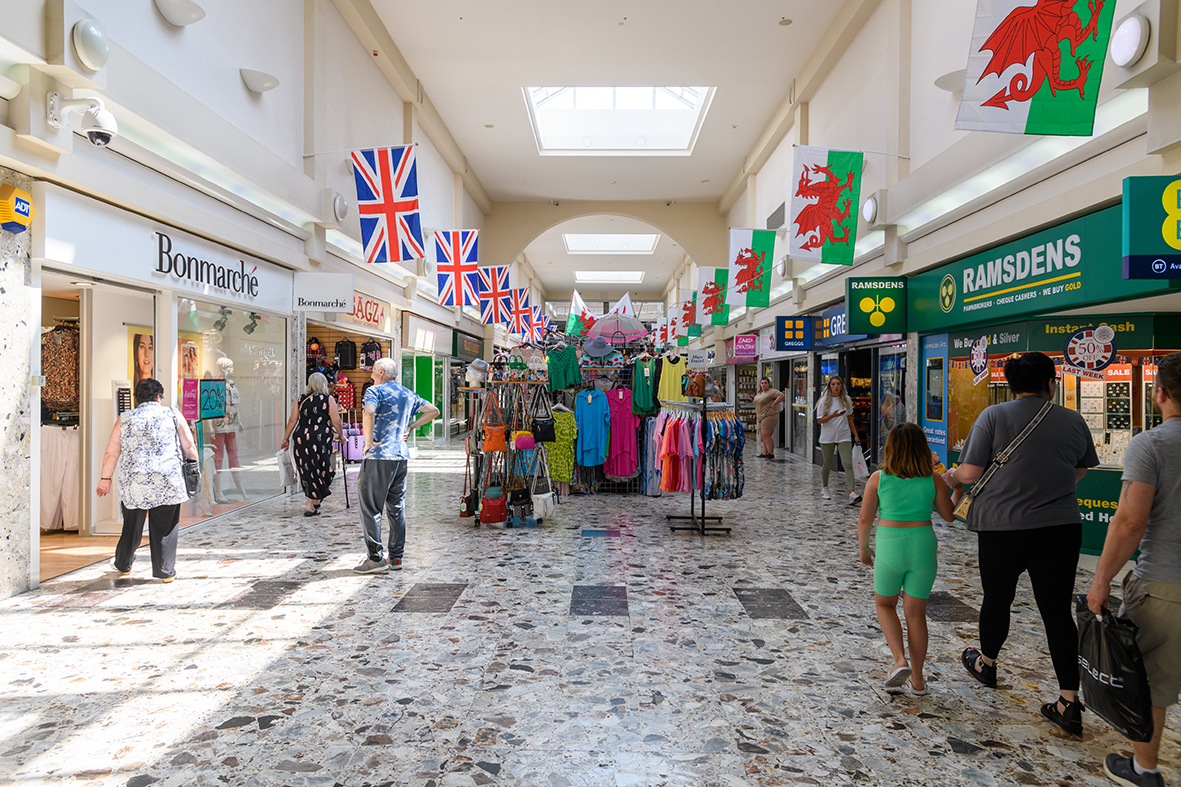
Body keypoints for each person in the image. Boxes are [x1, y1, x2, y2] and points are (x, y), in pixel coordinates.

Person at [942, 352, 1099, 735]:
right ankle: (1068, 700)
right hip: (1060, 527)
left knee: (998, 599)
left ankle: (987, 664)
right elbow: (1079, 468)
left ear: (1010, 384)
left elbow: (971, 471)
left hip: (1001, 528)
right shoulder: (1073, 419)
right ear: (1051, 382)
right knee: (1057, 612)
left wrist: (950, 477)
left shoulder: (993, 417)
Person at [1086, 352, 1181, 787]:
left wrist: (1101, 579)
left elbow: (1130, 520)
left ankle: (1145, 770)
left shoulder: (1153, 443)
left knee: (1153, 681)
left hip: (1166, 582)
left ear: (1159, 393)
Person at [858, 423, 955, 696]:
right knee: (916, 614)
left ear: (890, 448)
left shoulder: (878, 478)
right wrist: (957, 489)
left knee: (885, 604)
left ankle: (899, 660)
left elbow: (865, 518)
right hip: (922, 545)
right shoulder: (933, 480)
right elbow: (949, 516)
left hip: (890, 546)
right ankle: (919, 680)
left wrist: (864, 548)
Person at [97, 378, 198, 582]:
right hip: (167, 479)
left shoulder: (125, 418)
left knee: (132, 525)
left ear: (137, 398)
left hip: (136, 480)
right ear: (158, 396)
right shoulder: (172, 413)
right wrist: (194, 468)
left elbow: (111, 452)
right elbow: (189, 445)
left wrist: (104, 478)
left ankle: (123, 564)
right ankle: (165, 571)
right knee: (165, 526)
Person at [353, 357, 440, 574]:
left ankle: (375, 559)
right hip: (400, 457)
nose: (371, 375)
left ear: (381, 371)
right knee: (396, 508)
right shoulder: (407, 393)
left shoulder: (375, 391)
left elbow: (369, 412)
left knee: (371, 508)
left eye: (373, 371)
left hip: (379, 456)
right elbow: (433, 410)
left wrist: (368, 442)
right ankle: (396, 557)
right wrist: (411, 426)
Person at [281, 372, 344, 516]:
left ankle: (315, 500)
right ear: (324, 384)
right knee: (323, 468)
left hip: (301, 438)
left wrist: (285, 439)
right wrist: (341, 436)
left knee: (308, 469)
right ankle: (310, 503)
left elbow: (292, 420)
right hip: (320, 438)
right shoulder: (328, 399)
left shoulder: (301, 399)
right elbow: (336, 421)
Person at [815, 375, 862, 505]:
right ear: (829, 386)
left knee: (847, 463)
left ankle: (852, 492)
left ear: (842, 386)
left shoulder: (847, 399)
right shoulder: (824, 400)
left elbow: (849, 418)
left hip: (844, 435)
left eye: (838, 384)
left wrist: (856, 435)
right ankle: (824, 488)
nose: (836, 386)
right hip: (828, 436)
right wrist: (833, 415)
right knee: (827, 463)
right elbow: (819, 420)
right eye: (833, 384)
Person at [752, 377, 786, 458]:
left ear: (769, 384)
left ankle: (771, 453)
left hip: (769, 415)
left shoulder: (772, 391)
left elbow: (782, 396)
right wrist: (753, 400)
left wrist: (774, 404)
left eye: (765, 383)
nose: (764, 384)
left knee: (766, 435)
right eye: (762, 383)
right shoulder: (760, 393)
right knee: (763, 436)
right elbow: (759, 403)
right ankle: (764, 453)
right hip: (760, 416)